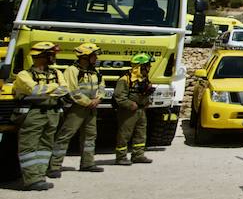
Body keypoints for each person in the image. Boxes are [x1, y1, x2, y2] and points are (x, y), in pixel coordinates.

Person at [11, 41, 69, 190]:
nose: (54, 57)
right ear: (42, 56)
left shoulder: (56, 73)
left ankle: (40, 176)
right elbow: (35, 90)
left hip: (52, 113)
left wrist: (48, 90)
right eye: (52, 55)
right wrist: (54, 87)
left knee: (46, 146)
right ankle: (31, 180)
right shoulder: (24, 75)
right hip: (33, 113)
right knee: (29, 146)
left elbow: (64, 89)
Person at [50, 42, 105, 175]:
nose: (96, 58)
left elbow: (101, 86)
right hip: (76, 108)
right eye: (94, 55)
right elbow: (72, 91)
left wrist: (98, 99)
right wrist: (88, 102)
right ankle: (54, 166)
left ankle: (88, 163)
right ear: (85, 56)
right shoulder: (72, 70)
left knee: (90, 135)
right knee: (65, 135)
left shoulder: (95, 71)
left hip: (91, 107)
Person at [113, 53, 155, 165]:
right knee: (124, 134)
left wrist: (147, 101)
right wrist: (130, 104)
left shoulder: (144, 79)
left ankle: (138, 155)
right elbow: (119, 97)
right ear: (140, 66)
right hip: (128, 112)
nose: (149, 68)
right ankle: (121, 157)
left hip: (141, 111)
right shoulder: (125, 79)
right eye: (147, 65)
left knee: (141, 133)